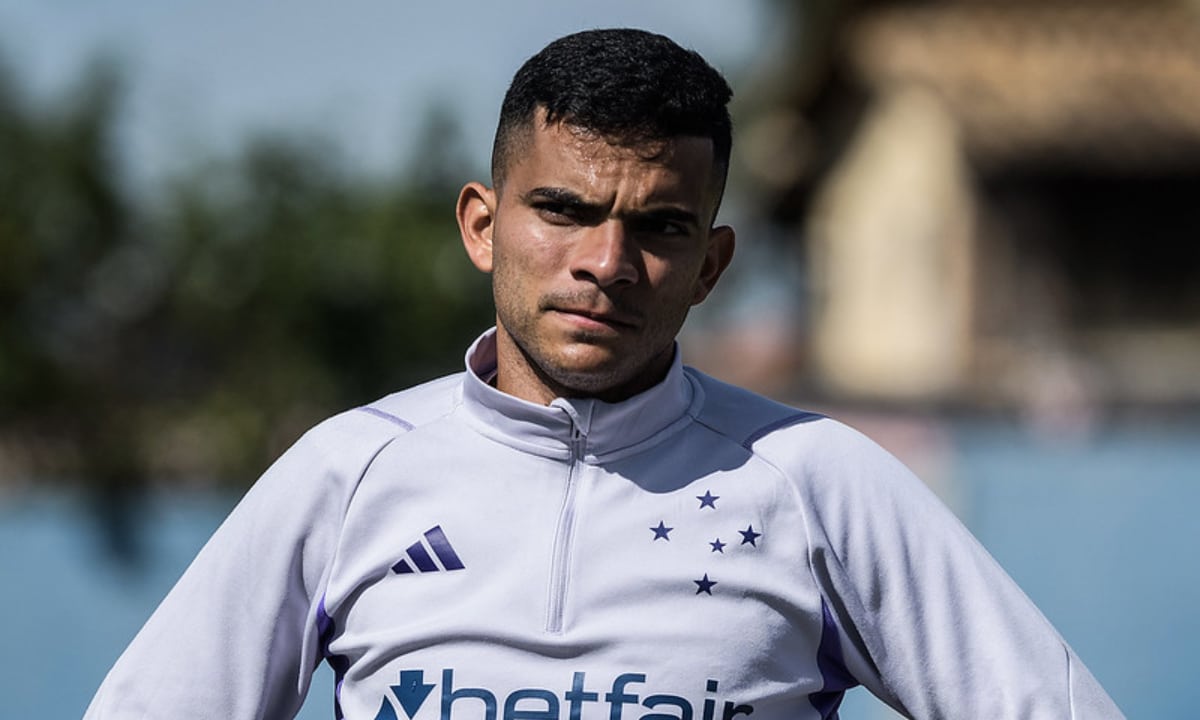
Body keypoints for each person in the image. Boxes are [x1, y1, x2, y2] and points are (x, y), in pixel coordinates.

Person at [85, 28, 1124, 720]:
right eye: (565, 211)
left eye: (660, 228)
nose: (606, 264)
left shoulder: (813, 482)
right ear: (483, 227)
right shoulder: (349, 477)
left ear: (711, 265)